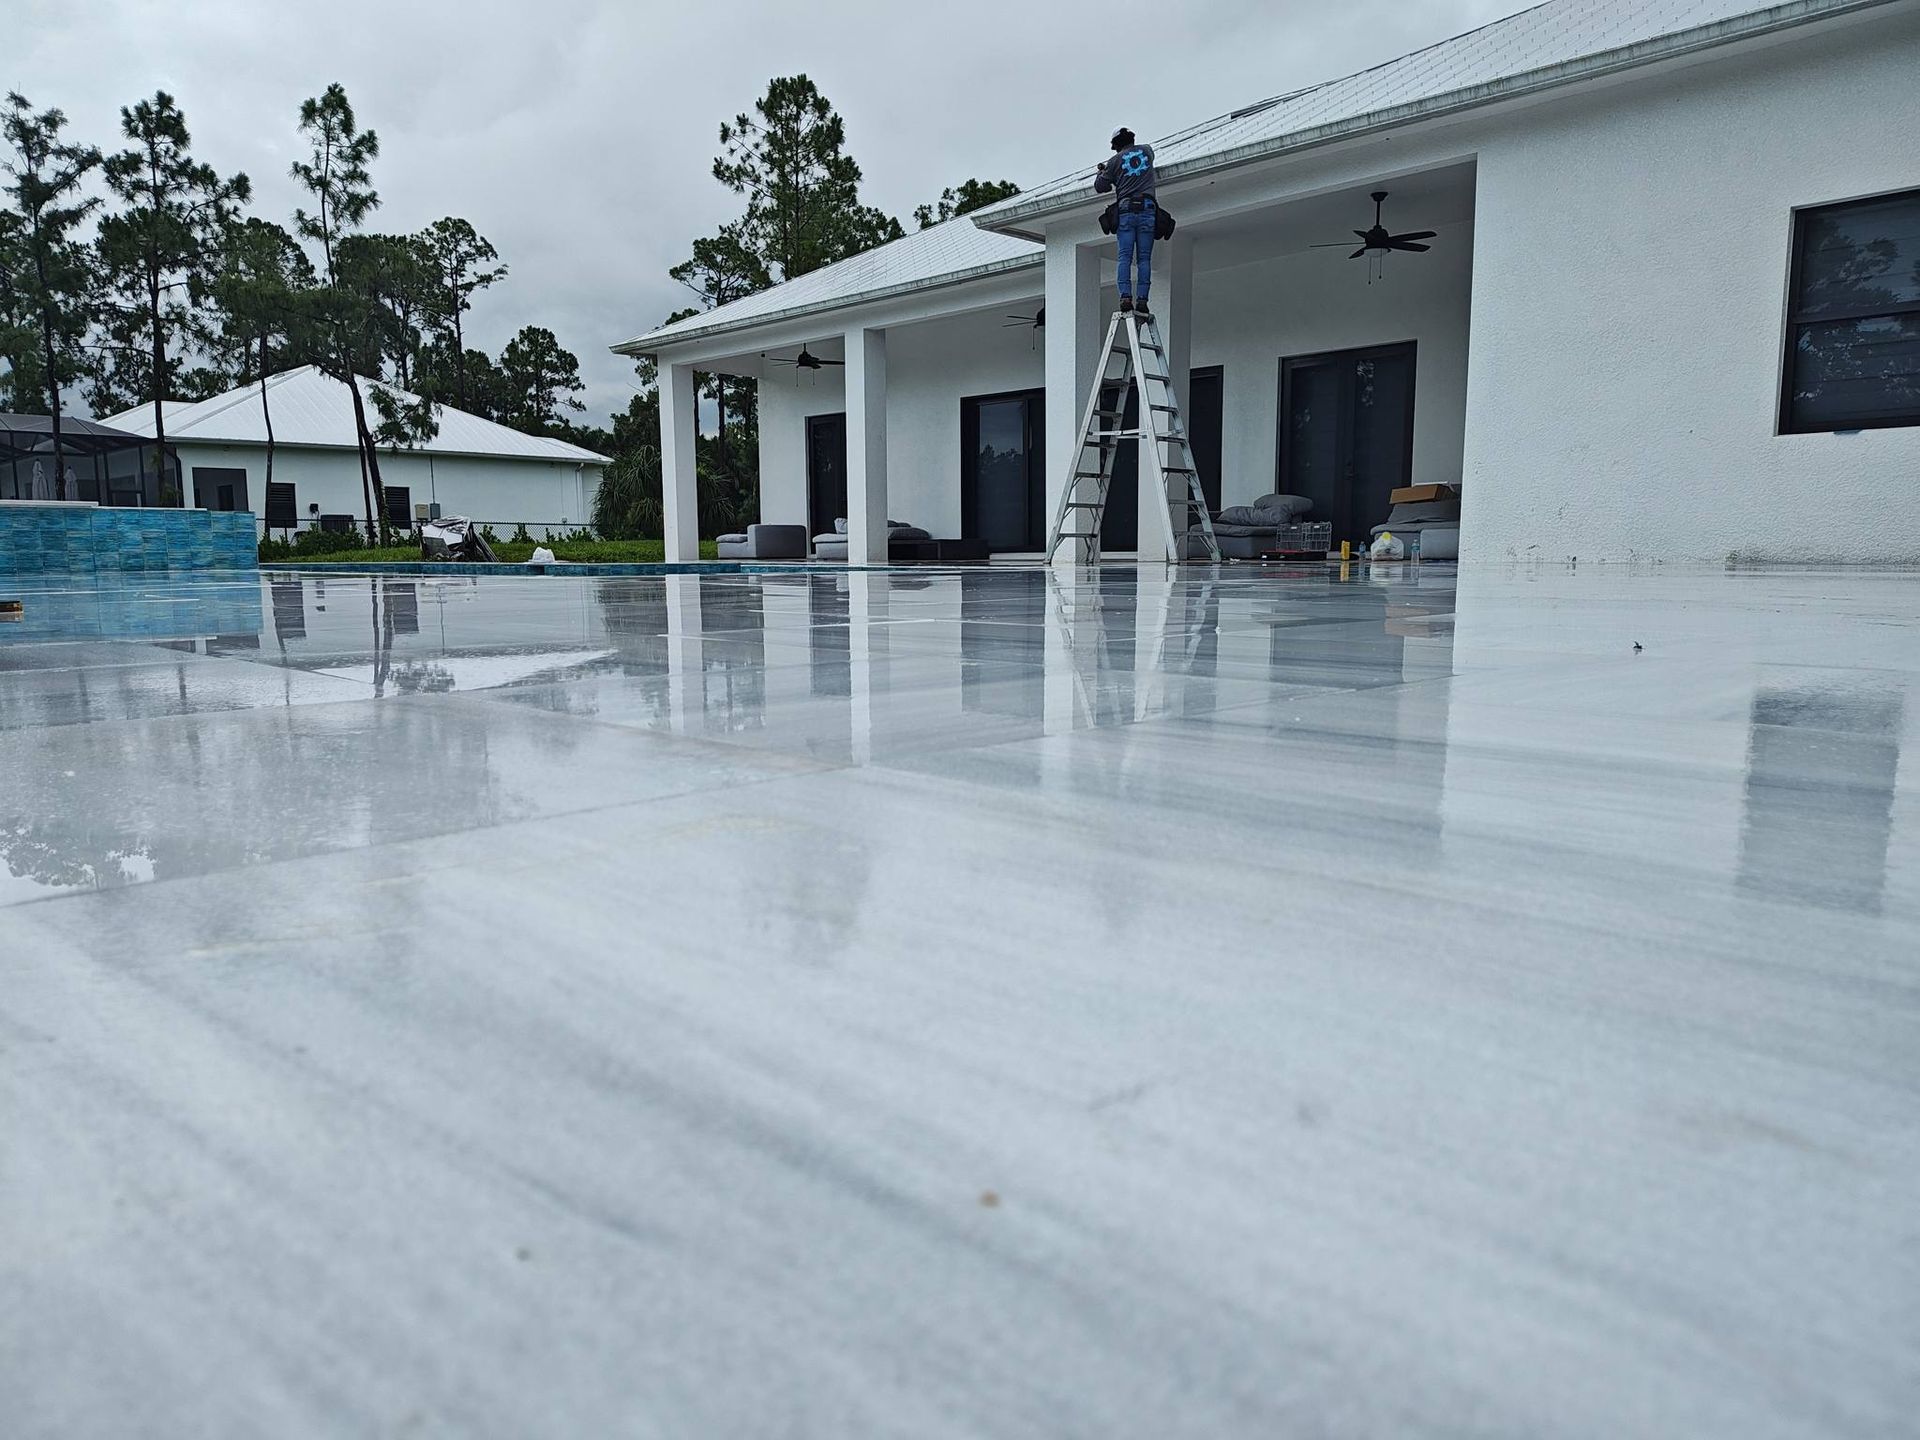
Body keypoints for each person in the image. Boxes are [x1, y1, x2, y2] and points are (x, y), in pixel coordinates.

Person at [1094, 127, 1157, 317]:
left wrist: (1102, 172)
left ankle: (1125, 298)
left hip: (1126, 211)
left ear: (1115, 145)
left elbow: (1100, 187)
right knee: (1144, 258)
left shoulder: (1113, 162)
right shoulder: (1147, 150)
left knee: (1125, 257)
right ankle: (1143, 300)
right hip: (1147, 208)